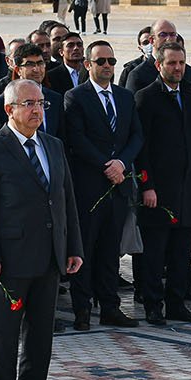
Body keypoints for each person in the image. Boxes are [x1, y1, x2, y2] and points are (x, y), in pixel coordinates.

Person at [0, 79, 83, 380]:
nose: (37, 110)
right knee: (4, 337)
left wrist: (73, 247)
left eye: (41, 104)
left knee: (39, 338)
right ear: (9, 110)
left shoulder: (53, 145)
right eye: (29, 104)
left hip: (48, 257)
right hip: (9, 260)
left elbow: (66, 201)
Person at [63, 40, 143, 330]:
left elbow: (136, 135)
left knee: (111, 250)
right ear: (88, 65)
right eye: (100, 62)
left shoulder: (124, 97)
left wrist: (121, 163)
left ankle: (110, 307)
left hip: (118, 184)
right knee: (85, 248)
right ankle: (82, 309)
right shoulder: (75, 97)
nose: (107, 66)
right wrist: (105, 165)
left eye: (111, 61)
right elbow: (77, 139)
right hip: (90, 186)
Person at [133, 43, 191, 326]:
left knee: (181, 253)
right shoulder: (145, 98)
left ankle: (177, 304)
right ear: (159, 65)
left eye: (181, 63)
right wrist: (147, 185)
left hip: (188, 188)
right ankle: (154, 305)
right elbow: (142, 148)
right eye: (171, 63)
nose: (177, 68)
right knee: (155, 254)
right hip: (158, 191)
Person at [0, 43, 61, 136]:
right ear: (18, 70)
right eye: (29, 64)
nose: (36, 69)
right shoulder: (3, 102)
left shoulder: (55, 99)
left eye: (40, 63)